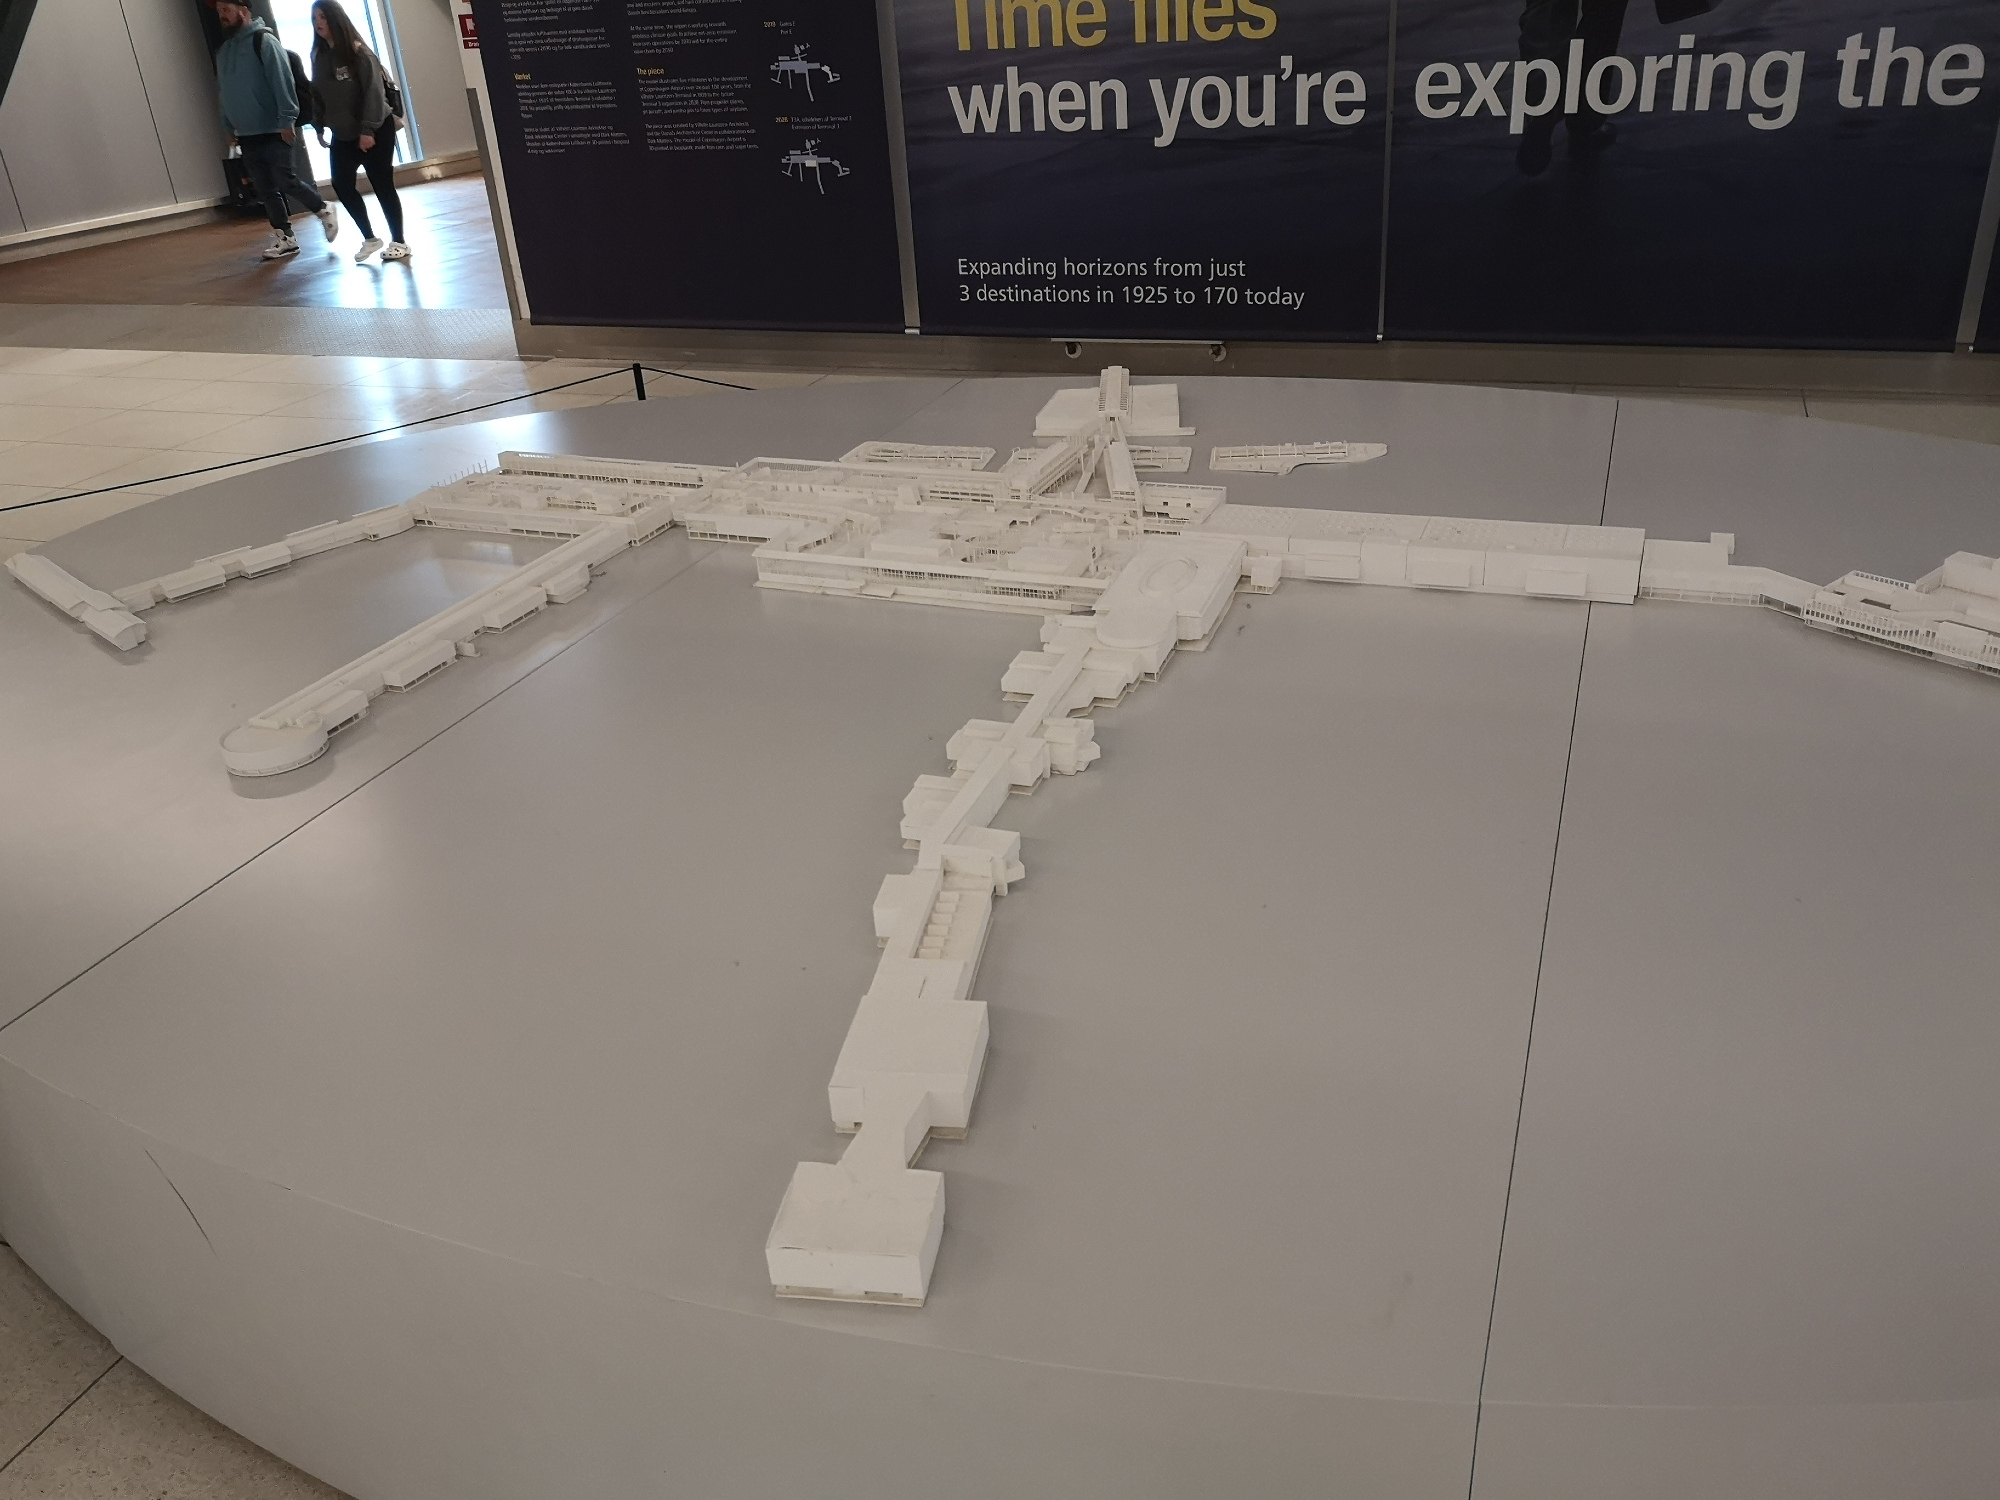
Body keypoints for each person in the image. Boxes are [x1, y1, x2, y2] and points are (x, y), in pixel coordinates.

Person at [213, 0, 338, 259]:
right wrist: (228, 125)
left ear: (243, 11)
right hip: (246, 133)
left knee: (285, 180)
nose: (221, 15)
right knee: (265, 189)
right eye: (219, 11)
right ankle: (285, 237)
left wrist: (287, 119)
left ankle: (323, 208)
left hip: (274, 128)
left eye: (226, 10)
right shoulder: (224, 52)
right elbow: (224, 92)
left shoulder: (264, 42)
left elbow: (283, 81)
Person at [310, 0, 411, 263]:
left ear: (336, 19)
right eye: (315, 18)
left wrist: (368, 130)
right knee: (341, 184)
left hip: (376, 129)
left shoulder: (359, 53)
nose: (318, 22)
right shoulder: (319, 55)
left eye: (323, 17)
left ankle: (399, 241)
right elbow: (317, 94)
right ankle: (370, 238)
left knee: (382, 184)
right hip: (343, 133)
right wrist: (319, 124)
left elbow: (374, 94)